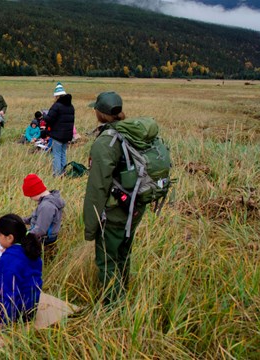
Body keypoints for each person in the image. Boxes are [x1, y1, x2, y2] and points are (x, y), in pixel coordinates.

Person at [83, 91, 146, 305]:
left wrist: (91, 226)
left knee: (107, 261)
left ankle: (113, 307)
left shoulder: (105, 143)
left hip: (115, 211)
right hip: (135, 206)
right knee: (123, 253)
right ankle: (123, 293)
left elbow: (97, 187)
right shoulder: (131, 133)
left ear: (100, 113)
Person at [21, 173, 65, 245]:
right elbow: (38, 218)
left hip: (45, 238)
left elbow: (40, 230)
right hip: (40, 234)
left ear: (34, 192)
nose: (30, 199)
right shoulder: (47, 201)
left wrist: (24, 237)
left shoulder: (46, 206)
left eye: (30, 196)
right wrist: (21, 220)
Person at [44, 82, 75, 176]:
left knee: (56, 154)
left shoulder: (56, 106)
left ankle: (57, 174)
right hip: (67, 135)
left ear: (57, 96)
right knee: (63, 154)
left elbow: (49, 119)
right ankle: (63, 172)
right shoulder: (71, 106)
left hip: (57, 135)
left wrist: (44, 116)